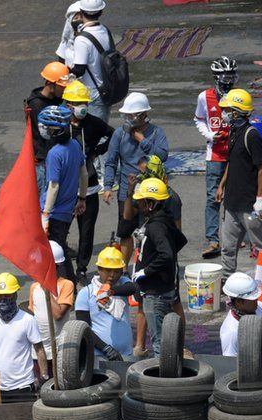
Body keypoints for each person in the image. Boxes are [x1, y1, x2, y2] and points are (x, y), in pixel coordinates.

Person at [215, 88, 262, 282]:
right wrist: (221, 185)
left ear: (236, 112)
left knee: (261, 247)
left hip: (250, 204)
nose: (223, 113)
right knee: (228, 246)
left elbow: (261, 168)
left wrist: (260, 199)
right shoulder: (234, 132)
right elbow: (232, 162)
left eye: (227, 110)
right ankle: (226, 280)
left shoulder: (252, 135)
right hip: (232, 203)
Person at [102, 92, 168, 260]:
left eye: (131, 115)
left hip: (151, 192)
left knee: (149, 230)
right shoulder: (119, 134)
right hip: (127, 192)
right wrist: (108, 186)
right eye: (126, 115)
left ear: (143, 114)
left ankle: (145, 264)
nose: (127, 118)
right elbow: (111, 161)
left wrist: (142, 140)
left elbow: (162, 156)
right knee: (125, 231)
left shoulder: (156, 133)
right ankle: (123, 269)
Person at [65, 79, 113, 287]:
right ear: (67, 105)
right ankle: (63, 271)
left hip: (90, 187)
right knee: (60, 229)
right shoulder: (60, 125)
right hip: (66, 189)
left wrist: (97, 151)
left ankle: (81, 269)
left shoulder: (93, 123)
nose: (81, 108)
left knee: (87, 231)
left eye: (84, 103)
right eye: (77, 104)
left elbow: (112, 134)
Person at [131, 178, 187, 356]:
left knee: (159, 343)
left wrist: (146, 270)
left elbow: (167, 254)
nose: (138, 203)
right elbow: (179, 241)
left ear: (151, 203)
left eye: (141, 201)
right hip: (164, 288)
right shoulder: (163, 220)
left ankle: (162, 380)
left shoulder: (156, 227)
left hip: (155, 292)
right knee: (166, 339)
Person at [0, 273, 49, 401]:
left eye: (7, 295)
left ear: (15, 294)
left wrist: (43, 377)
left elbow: (39, 349)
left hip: (24, 387)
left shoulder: (28, 320)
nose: (2, 299)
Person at [194, 56, 238, 259]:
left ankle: (235, 236)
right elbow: (199, 119)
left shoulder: (239, 96)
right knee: (214, 198)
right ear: (216, 77)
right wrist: (211, 135)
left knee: (235, 197)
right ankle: (213, 240)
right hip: (215, 155)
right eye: (224, 76)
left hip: (236, 153)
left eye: (231, 75)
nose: (228, 80)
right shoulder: (205, 97)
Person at [38, 104, 88, 282]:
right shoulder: (75, 145)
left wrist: (45, 214)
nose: (44, 130)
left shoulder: (54, 154)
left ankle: (66, 287)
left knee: (57, 252)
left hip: (55, 213)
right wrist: (82, 198)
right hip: (68, 210)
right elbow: (84, 173)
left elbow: (53, 186)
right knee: (61, 247)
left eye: (46, 127)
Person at [75, 246, 134, 361]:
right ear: (99, 269)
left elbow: (133, 288)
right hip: (99, 356)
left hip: (127, 354)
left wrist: (111, 292)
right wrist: (106, 349)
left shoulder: (123, 283)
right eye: (108, 270)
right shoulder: (86, 293)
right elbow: (83, 328)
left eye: (116, 271)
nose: (112, 275)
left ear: (122, 271)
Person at [28, 241, 76, 370]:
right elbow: (33, 317)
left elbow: (58, 314)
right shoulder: (34, 287)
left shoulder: (66, 285)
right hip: (39, 353)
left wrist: (46, 289)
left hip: (59, 351)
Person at [25, 61, 70, 194]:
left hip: (57, 157)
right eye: (62, 87)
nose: (65, 90)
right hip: (44, 161)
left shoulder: (58, 99)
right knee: (45, 202)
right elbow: (52, 133)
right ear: (51, 84)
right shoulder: (36, 105)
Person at [220, 272, 262, 368]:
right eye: (252, 298)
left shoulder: (260, 307)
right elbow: (230, 368)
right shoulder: (231, 333)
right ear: (239, 302)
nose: (257, 299)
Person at [70, 0, 111, 121]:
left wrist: (67, 73)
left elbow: (79, 69)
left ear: (81, 12)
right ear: (101, 12)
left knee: (96, 134)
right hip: (107, 89)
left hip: (93, 93)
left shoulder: (82, 39)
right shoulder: (105, 30)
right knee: (102, 129)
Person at [56, 1, 81, 67]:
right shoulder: (66, 41)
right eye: (76, 18)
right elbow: (61, 63)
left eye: (82, 18)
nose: (79, 21)